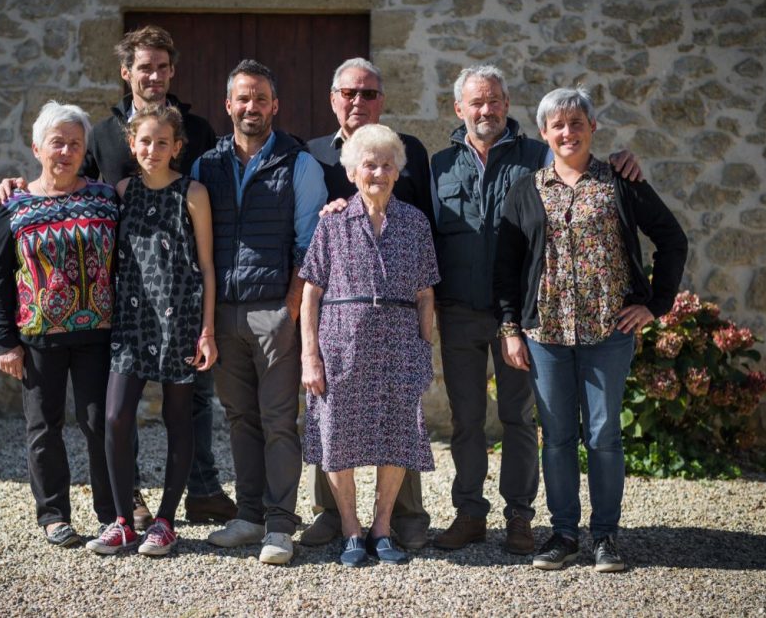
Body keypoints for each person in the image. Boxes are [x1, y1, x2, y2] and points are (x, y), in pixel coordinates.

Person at [0, 26, 235, 527]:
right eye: (144, 67)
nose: (154, 75)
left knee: (192, 404)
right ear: (127, 73)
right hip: (125, 301)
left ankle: (203, 490)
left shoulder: (201, 129)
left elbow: (213, 196)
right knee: (112, 412)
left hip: (182, 295)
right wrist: (20, 184)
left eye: (162, 67)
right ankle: (133, 502)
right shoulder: (102, 136)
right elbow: (64, 182)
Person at [430, 65, 643, 554]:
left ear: (508, 105)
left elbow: (580, 165)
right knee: (465, 418)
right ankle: (469, 513)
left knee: (520, 418)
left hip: (522, 313)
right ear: (458, 109)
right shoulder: (438, 165)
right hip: (459, 310)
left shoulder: (536, 156)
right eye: (477, 102)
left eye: (496, 100)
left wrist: (625, 161)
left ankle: (520, 517)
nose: (487, 110)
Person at [494, 87, 687, 573]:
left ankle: (605, 537)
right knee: (556, 436)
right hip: (547, 333)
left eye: (576, 123)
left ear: (592, 128)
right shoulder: (526, 190)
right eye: (557, 125)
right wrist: (511, 327)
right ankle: (563, 535)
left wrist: (654, 305)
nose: (567, 132)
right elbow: (507, 265)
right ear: (543, 133)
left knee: (603, 436)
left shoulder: (621, 181)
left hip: (608, 330)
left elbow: (671, 239)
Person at [192, 59, 328, 565]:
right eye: (242, 98)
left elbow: (310, 247)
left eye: (261, 98)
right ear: (228, 105)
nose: (252, 107)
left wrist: (290, 311)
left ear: (276, 106)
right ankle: (248, 516)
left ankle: (279, 523)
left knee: (277, 421)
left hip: (274, 311)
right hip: (224, 312)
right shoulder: (205, 166)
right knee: (239, 419)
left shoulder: (299, 164)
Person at [301, 58, 433, 551]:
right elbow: (312, 284)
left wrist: (424, 344)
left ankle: (397, 520)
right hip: (341, 331)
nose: (359, 102)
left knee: (400, 424)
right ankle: (338, 521)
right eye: (349, 93)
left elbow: (425, 286)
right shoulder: (315, 160)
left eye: (369, 93)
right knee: (335, 428)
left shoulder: (412, 163)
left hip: (397, 325)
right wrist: (309, 351)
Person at [86, 105, 217, 557]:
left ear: (177, 146)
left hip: (180, 320)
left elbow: (206, 267)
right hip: (132, 320)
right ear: (132, 145)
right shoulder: (122, 191)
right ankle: (123, 520)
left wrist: (208, 331)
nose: (153, 150)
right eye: (145, 141)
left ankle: (165, 521)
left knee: (177, 419)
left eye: (163, 142)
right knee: (115, 416)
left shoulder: (193, 192)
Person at [0, 100, 118, 547]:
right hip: (38, 337)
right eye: (57, 143)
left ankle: (112, 514)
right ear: (37, 147)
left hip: (98, 336)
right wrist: (6, 341)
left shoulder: (105, 199)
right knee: (44, 426)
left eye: (75, 145)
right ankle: (53, 515)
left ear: (85, 152)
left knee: (100, 422)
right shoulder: (14, 206)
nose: (65, 152)